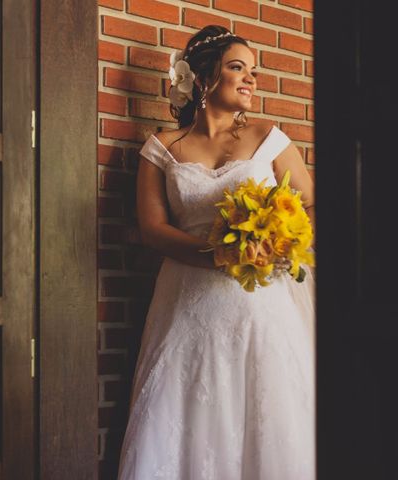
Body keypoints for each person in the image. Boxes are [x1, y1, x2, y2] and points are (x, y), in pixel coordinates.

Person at [117, 25, 316, 479]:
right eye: (237, 68)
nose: (250, 79)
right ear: (203, 78)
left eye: (254, 71)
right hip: (188, 301)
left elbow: (309, 201)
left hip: (260, 304)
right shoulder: (161, 149)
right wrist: (218, 253)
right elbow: (153, 229)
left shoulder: (269, 137)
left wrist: (279, 240)